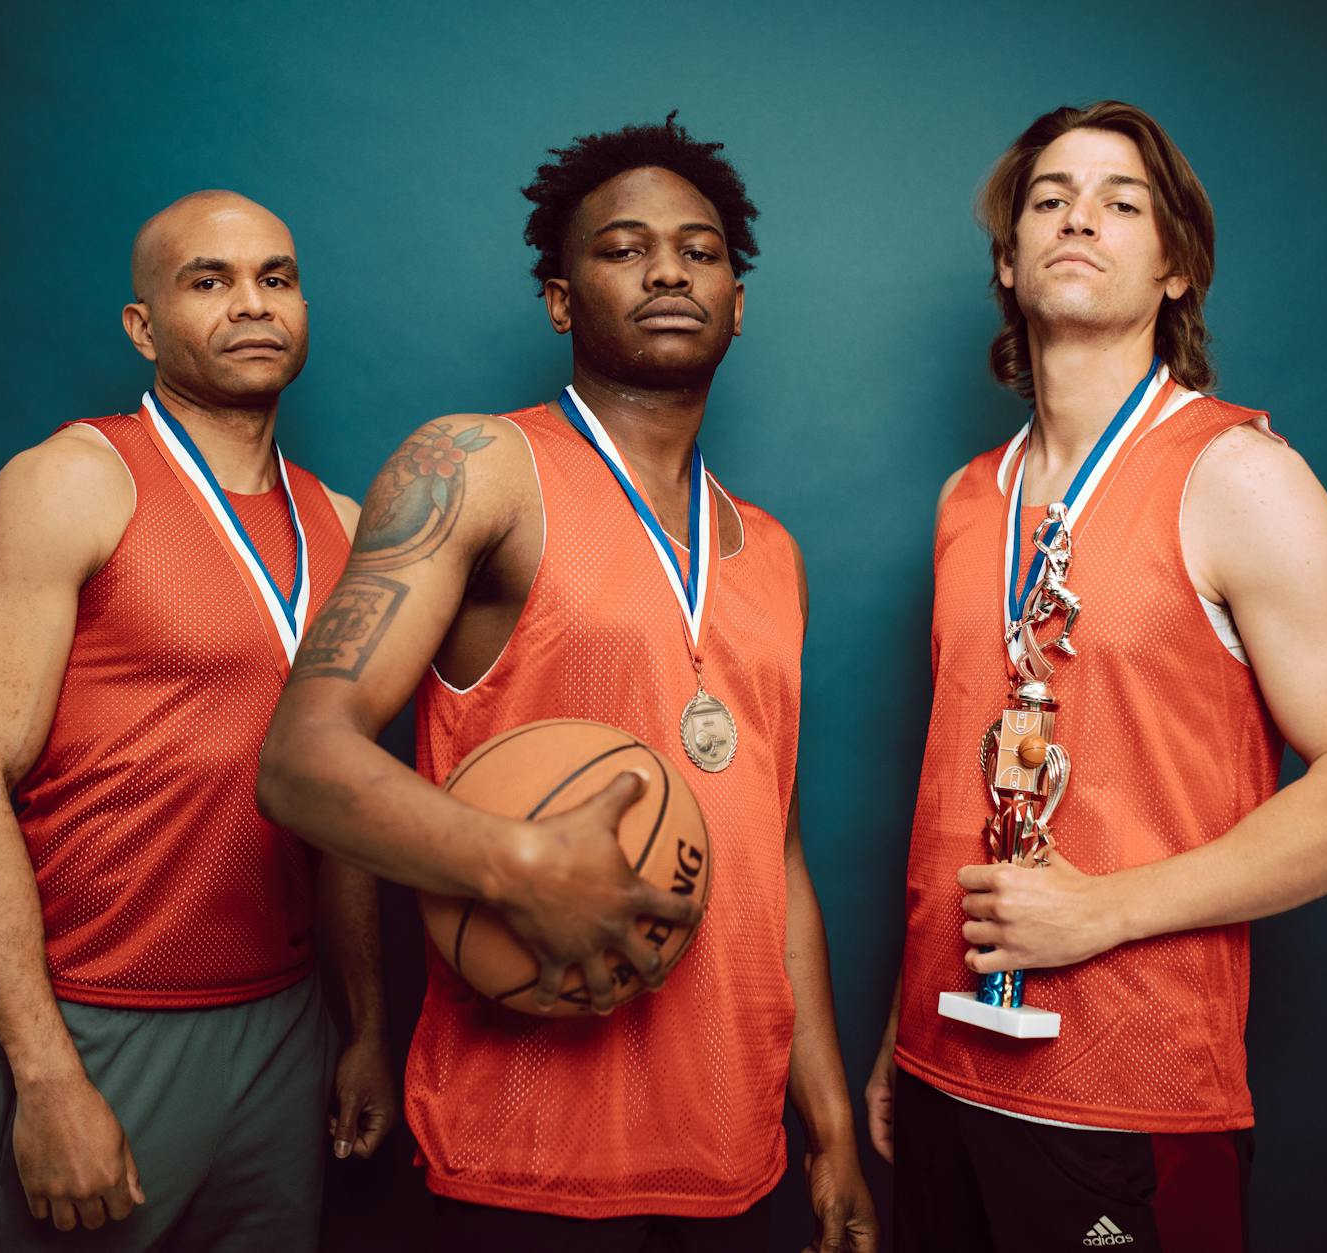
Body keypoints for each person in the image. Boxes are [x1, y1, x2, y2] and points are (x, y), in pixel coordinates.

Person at [258, 116, 877, 1253]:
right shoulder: (477, 467)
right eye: (623, 247)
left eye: (698, 252)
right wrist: (519, 862)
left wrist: (826, 1120)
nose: (665, 272)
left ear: (737, 302)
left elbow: (768, 850)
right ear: (558, 298)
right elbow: (300, 761)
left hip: (735, 1141)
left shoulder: (772, 550)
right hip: (526, 1143)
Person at [865, 101, 1327, 1251]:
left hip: (1127, 1096)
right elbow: (952, 799)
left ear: (1172, 267)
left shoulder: (1238, 476)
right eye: (1048, 198)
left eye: (1122, 202)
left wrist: (1105, 908)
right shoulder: (966, 501)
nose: (1080, 216)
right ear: (1008, 259)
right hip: (938, 1073)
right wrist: (894, 1035)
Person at [0, 190, 394, 1251]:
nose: (251, 303)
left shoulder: (347, 527)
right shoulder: (69, 484)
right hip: (99, 1020)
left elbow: (346, 805)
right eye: (208, 280)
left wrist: (362, 1026)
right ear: (142, 326)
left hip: (282, 1027)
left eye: (275, 277)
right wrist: (44, 1075)